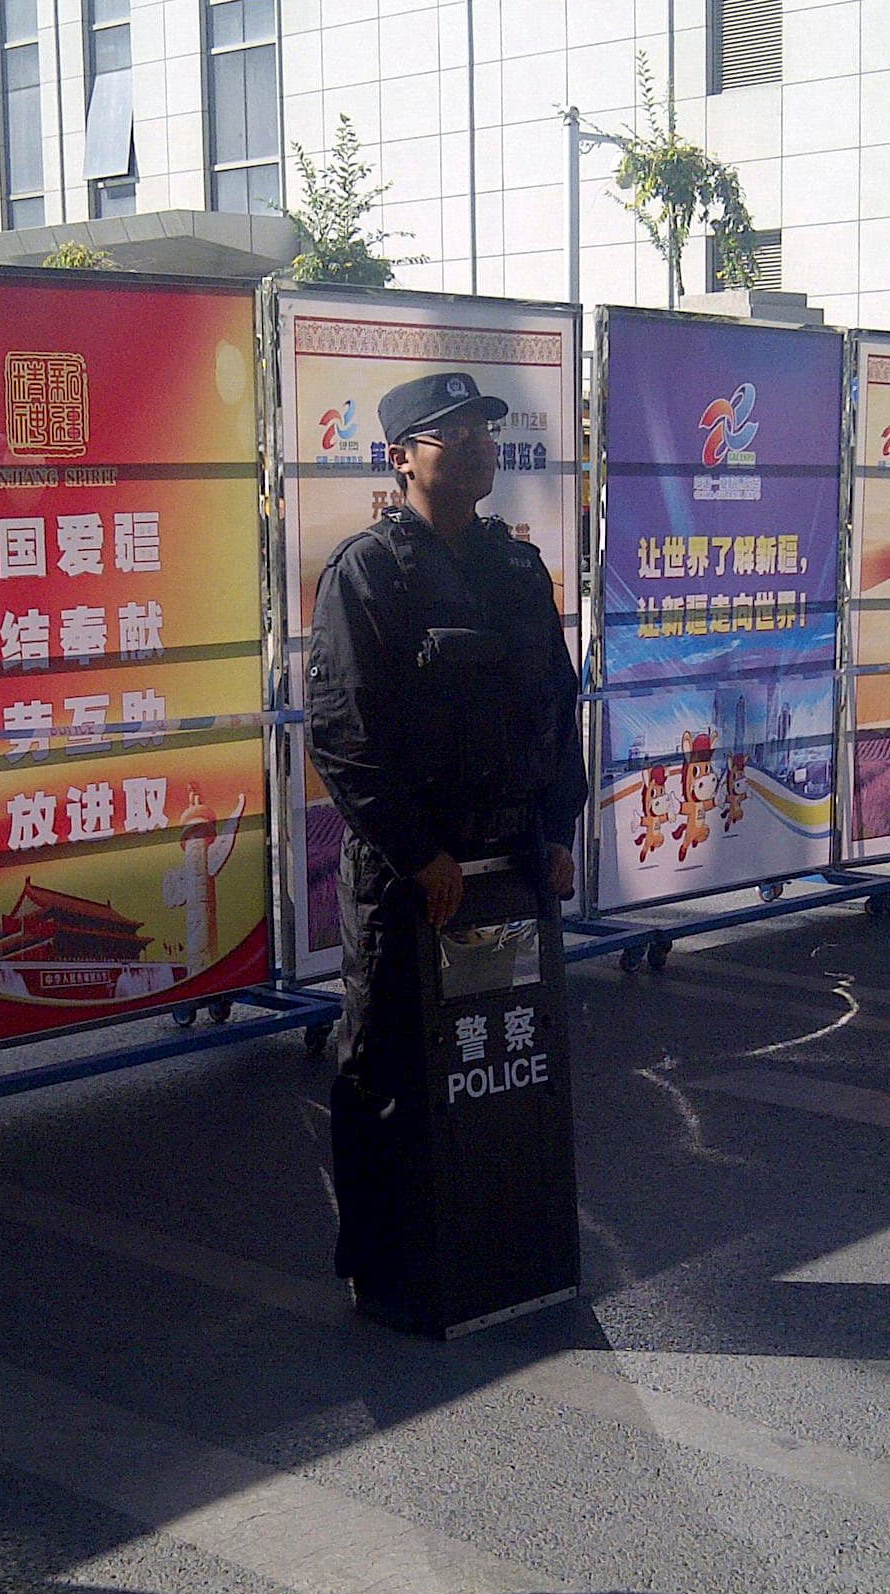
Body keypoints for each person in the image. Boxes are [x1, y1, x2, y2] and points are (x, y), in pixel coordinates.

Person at [304, 371, 588, 1313]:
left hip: (508, 865)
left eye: (485, 432)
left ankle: (494, 1245)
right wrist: (414, 851)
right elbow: (346, 729)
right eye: (451, 433)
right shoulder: (368, 572)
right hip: (410, 872)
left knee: (500, 1057)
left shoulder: (515, 570)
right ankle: (382, 1267)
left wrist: (557, 825)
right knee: (386, 1060)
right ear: (401, 459)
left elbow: (555, 701)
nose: (476, 445)